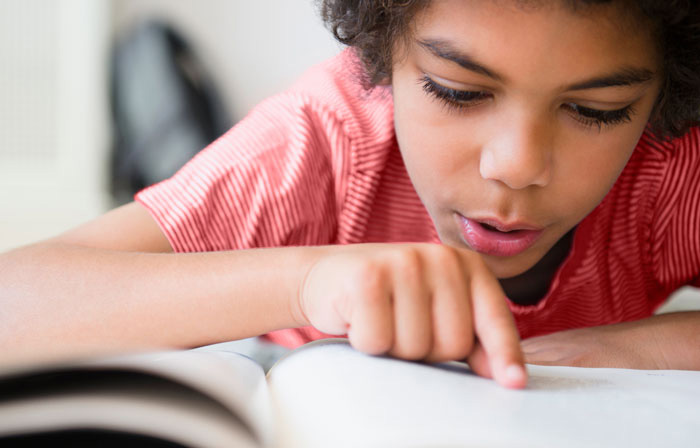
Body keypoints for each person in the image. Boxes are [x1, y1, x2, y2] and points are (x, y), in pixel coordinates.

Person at [1, 0, 699, 390]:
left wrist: (634, 352)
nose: (515, 167)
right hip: (286, 323)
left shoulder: (671, 164)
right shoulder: (325, 137)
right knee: (192, 183)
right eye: (457, 92)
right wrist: (308, 280)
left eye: (598, 110)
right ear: (382, 56)